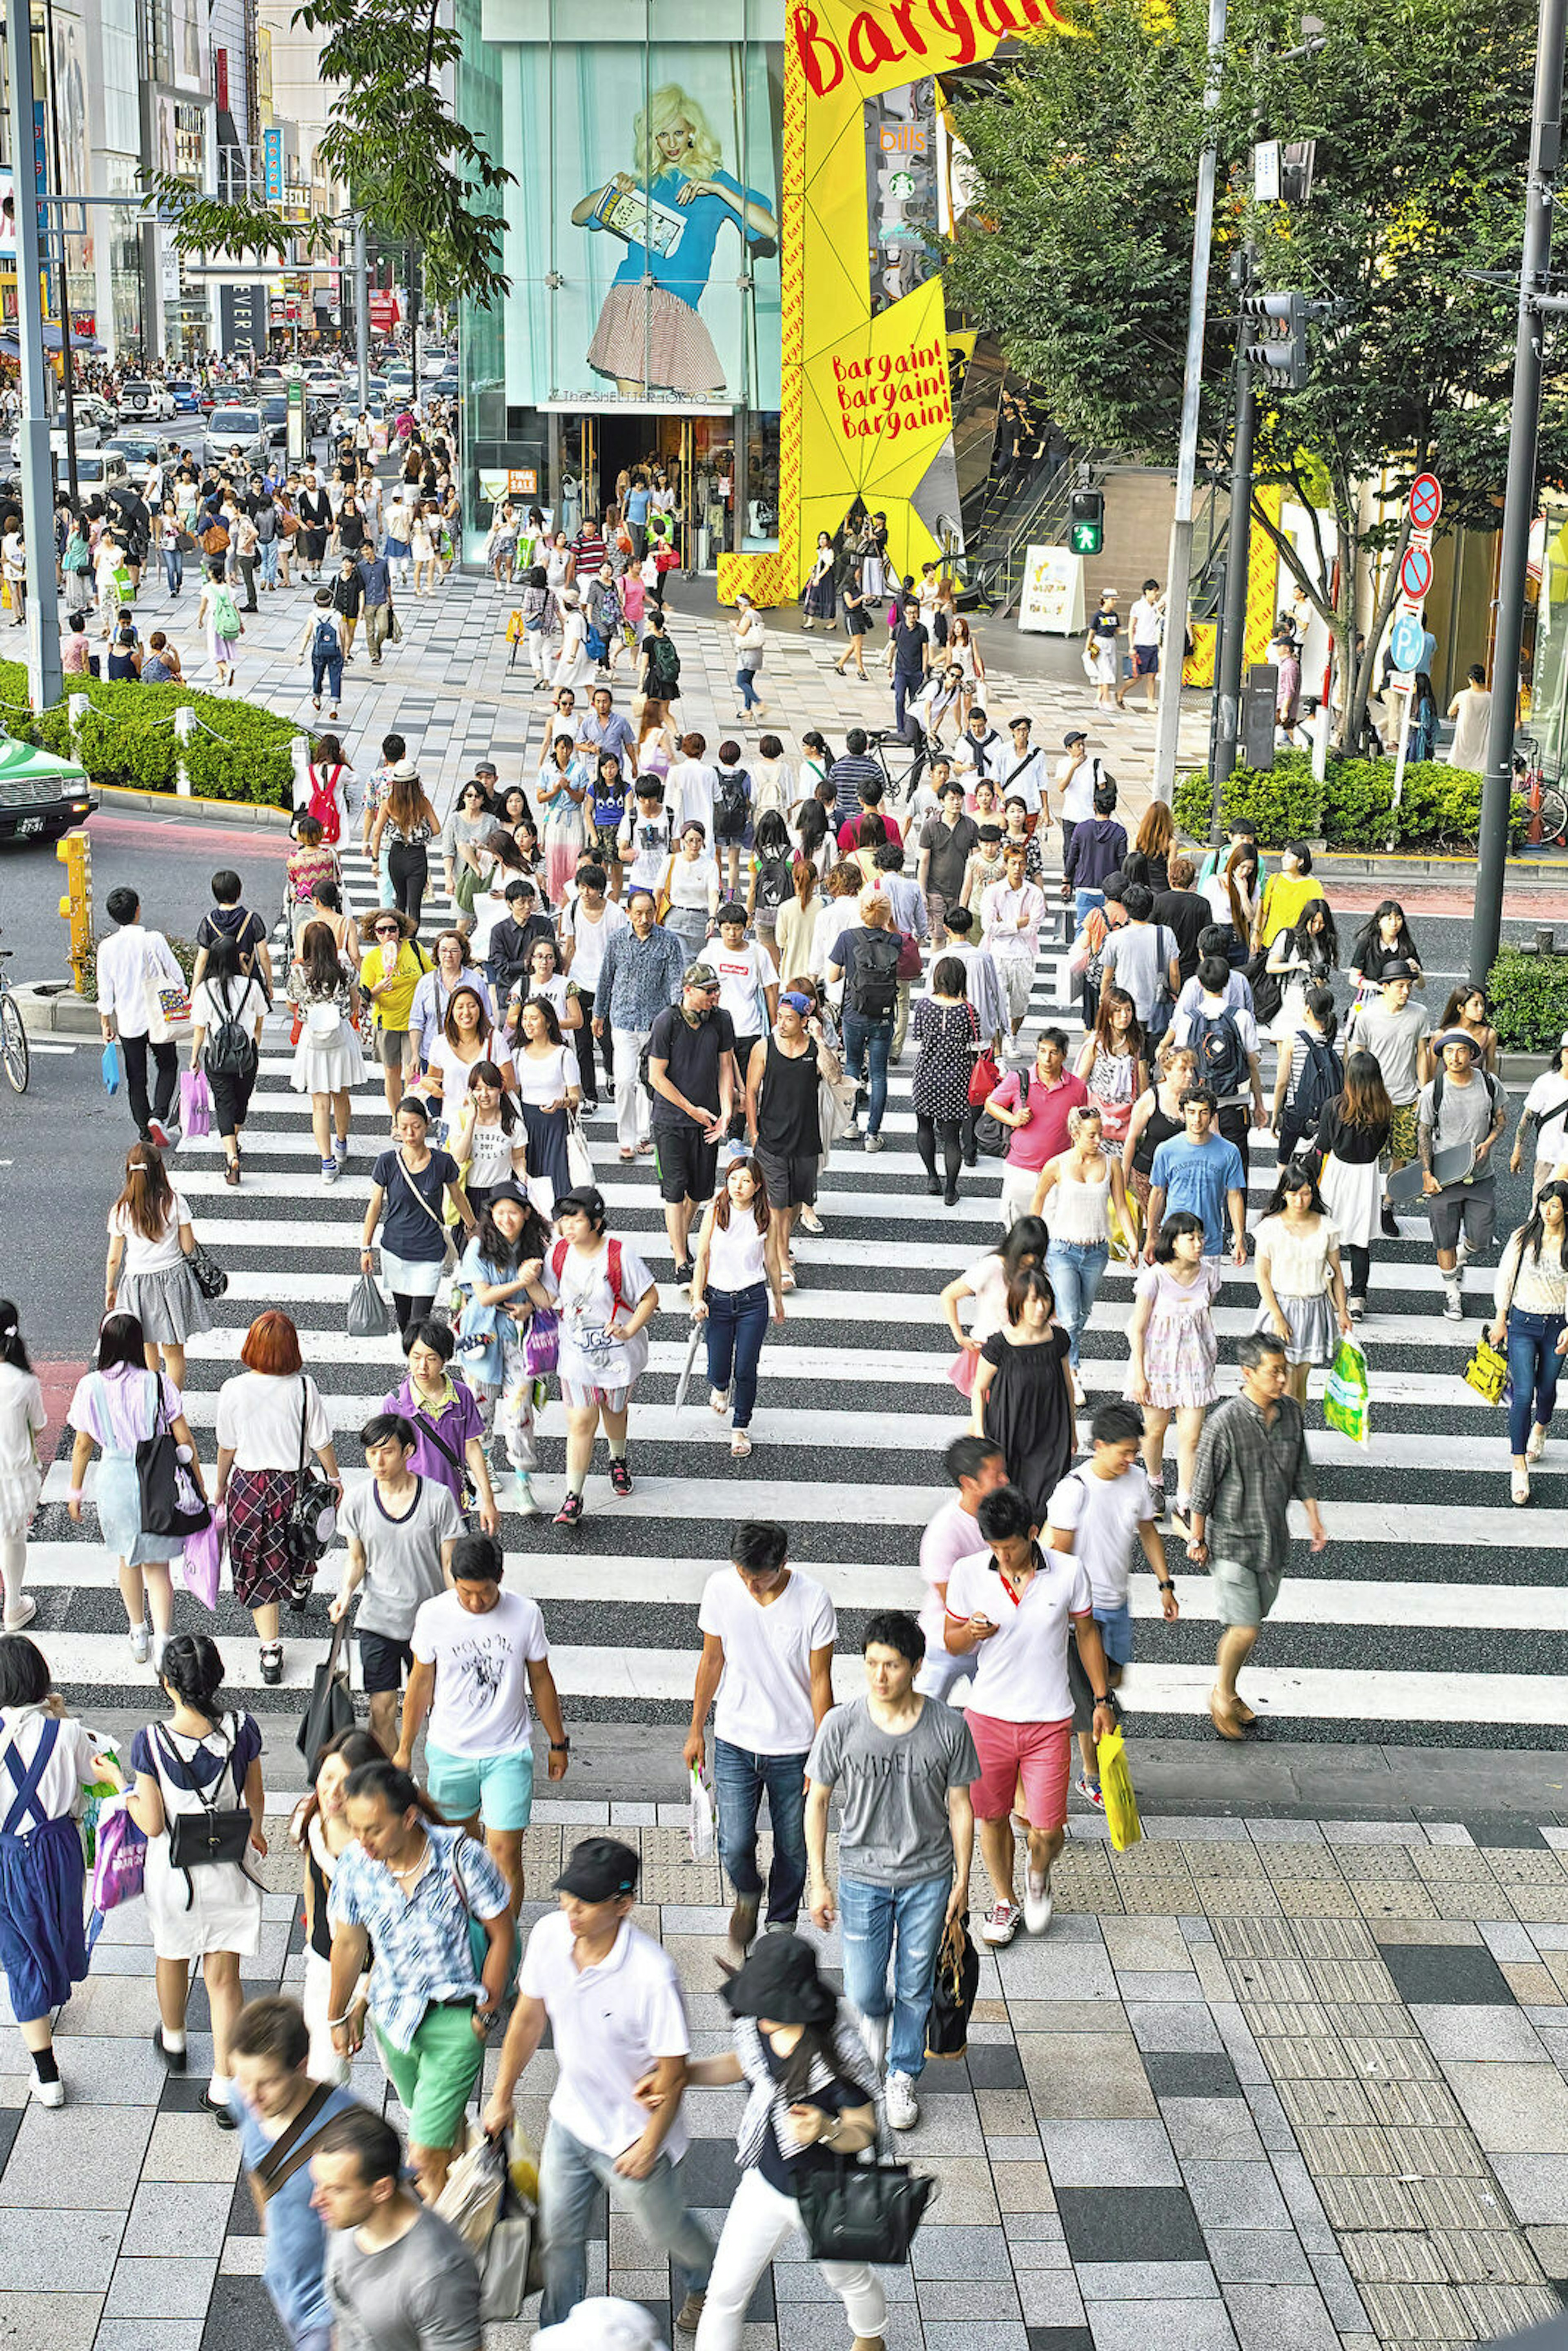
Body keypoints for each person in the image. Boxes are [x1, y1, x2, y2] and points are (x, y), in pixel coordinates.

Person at [483, 1837, 715, 2333]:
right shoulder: (549, 1935)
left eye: (586, 1901)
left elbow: (674, 2073)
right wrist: (502, 2095)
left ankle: (708, 2278)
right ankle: (558, 2334)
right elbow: (527, 2018)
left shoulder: (653, 1975)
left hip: (633, 2138)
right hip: (571, 2120)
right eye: (569, 1895)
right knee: (559, 2238)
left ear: (623, 1904)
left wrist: (649, 2146)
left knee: (667, 2230)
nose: (571, 1909)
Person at [666, 1932, 884, 2351]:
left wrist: (825, 2128)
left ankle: (870, 2338)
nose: (755, 2012)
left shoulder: (838, 2056)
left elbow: (865, 2127)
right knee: (725, 2293)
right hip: (765, 2182)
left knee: (848, 2277)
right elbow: (744, 2065)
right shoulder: (757, 2026)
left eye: (769, 2004)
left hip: (827, 2195)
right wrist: (681, 2075)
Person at [804, 1610, 976, 2131]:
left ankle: (903, 2072)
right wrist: (819, 1878)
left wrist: (964, 1882)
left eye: (893, 1665)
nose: (880, 1675)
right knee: (861, 1989)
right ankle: (873, 2027)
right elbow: (817, 1801)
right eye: (873, 1663)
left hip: (929, 1875)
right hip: (861, 1874)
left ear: (916, 1667)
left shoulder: (948, 1726)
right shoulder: (842, 1724)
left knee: (916, 1981)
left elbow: (962, 1805)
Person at [326, 1759, 514, 2200]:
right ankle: (469, 2218)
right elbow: (350, 1946)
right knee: (435, 2135)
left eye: (373, 1829)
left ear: (409, 1818)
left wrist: (485, 2015)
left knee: (421, 2155)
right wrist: (339, 2015)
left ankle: (434, 2253)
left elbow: (502, 1932)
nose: (362, 1841)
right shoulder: (356, 1865)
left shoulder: (461, 1857)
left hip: (456, 2023)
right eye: (355, 1828)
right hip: (394, 2021)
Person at [943, 1482, 1116, 1944]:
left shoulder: (1069, 1571)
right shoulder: (968, 1573)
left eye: (1011, 1546)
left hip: (1049, 1720)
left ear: (1034, 1533)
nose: (1002, 1556)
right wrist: (970, 1632)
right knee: (993, 1817)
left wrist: (1102, 1700)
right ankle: (1004, 1901)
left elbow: (1086, 1635)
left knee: (1048, 1828)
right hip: (988, 1718)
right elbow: (950, 1639)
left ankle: (1038, 1873)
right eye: (994, 1547)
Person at [128, 1631, 265, 2125]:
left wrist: (126, 1797)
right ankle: (226, 2088)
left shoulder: (149, 1741)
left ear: (168, 1684)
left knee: (172, 1954)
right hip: (229, 1867)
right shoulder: (243, 1728)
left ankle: (175, 2039)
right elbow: (255, 1798)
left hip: (174, 1874)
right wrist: (257, 1832)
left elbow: (152, 1823)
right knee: (224, 1979)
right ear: (217, 1678)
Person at [396, 1533, 567, 1913]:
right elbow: (420, 1683)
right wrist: (404, 1749)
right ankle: (472, 1926)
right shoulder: (433, 1615)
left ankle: (504, 1946)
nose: (475, 1602)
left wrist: (558, 1743)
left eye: (484, 1593)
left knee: (505, 1852)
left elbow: (541, 1679)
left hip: (508, 1752)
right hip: (450, 1752)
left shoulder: (526, 1614)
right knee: (461, 1847)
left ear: (500, 1577)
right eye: (465, 1592)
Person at [685, 1521, 835, 1951]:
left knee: (794, 1843)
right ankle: (748, 1890)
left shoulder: (813, 1600)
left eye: (760, 1579)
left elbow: (821, 1681)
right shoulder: (720, 1588)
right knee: (733, 1842)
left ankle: (781, 1922)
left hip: (795, 1747)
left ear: (783, 1563)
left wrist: (822, 1755)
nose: (750, 1586)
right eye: (743, 1576)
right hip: (735, 1739)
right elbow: (711, 1660)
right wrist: (696, 1729)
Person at [0, 1633, 120, 2105]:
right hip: (59, 1847)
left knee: (18, 1954)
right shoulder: (64, 1733)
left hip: (7, 1853)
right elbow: (97, 1768)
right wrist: (63, 1717)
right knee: (58, 1925)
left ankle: (47, 2075)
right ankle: (53, 1985)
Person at [1187, 1333, 1327, 1738]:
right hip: (1231, 1540)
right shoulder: (1224, 1424)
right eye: (1274, 1372)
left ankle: (1229, 1690)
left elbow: (1301, 1464)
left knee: (1251, 1621)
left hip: (1272, 1540)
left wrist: (1313, 1517)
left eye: (1284, 1371)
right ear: (1248, 1373)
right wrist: (1197, 1538)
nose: (1283, 1379)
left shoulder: (1290, 1413)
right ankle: (1222, 1693)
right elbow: (1202, 1487)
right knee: (1246, 1627)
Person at [1047, 1400, 1177, 1808]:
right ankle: (1091, 1775)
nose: (1130, 1459)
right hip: (1083, 1611)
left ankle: (1085, 1717)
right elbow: (1060, 1555)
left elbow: (1148, 1533)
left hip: (1116, 1605)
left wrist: (1165, 1584)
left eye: (1134, 1452)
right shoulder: (1074, 1491)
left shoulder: (1137, 1481)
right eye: (1123, 1451)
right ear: (1099, 1446)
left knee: (1111, 1683)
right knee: (1094, 1698)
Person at [214, 1313, 342, 1688]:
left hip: (250, 1488)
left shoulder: (234, 1389)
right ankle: (300, 1583)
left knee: (257, 1561)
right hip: (295, 1484)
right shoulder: (304, 1388)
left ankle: (270, 1650)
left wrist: (219, 1485)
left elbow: (227, 1446)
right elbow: (321, 1441)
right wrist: (334, 1478)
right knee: (302, 1540)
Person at [227, 1996, 359, 2351]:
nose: (251, 2097)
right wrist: (269, 2223)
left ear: (301, 2066)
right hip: (284, 2285)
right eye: (243, 2079)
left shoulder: (349, 2126)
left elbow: (395, 2205)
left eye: (266, 2083)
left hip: (332, 2308)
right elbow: (258, 2167)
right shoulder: (243, 2097)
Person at [330, 1414, 462, 1751]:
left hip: (428, 1623)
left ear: (409, 1451)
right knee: (381, 1709)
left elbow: (449, 1562)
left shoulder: (438, 1498)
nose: (378, 1461)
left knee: (436, 1706)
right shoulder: (358, 1502)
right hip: (378, 1622)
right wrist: (345, 1592)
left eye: (387, 1452)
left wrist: (457, 1612)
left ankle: (432, 1774)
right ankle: (391, 1784)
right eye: (372, 1453)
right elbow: (357, 1559)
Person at [312, 2104, 483, 2350]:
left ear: (381, 2190)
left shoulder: (438, 2274)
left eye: (336, 2189)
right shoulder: (345, 2216)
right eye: (319, 2184)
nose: (317, 2200)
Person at [544, 1184, 660, 1526]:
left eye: (576, 1220)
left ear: (596, 1222)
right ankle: (573, 1496)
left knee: (615, 1408)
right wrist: (526, 1283)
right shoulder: (558, 1254)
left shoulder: (619, 1254)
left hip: (618, 1355)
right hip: (576, 1355)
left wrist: (628, 1330)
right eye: (564, 1220)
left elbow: (650, 1298)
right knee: (580, 1422)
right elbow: (548, 1298)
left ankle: (617, 1457)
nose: (568, 1227)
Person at [1125, 1210, 1222, 1524]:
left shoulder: (1209, 1274)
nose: (1199, 1244)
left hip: (1196, 1367)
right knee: (1154, 1431)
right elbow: (1137, 1328)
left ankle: (1185, 1500)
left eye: (1200, 1237)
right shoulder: (1154, 1278)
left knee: (1192, 1437)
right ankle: (1155, 1483)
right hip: (1157, 1366)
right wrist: (1139, 1374)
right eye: (1191, 1238)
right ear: (1174, 1241)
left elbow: (1205, 1315)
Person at [690, 1157, 786, 1459]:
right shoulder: (716, 1211)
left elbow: (771, 1261)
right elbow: (703, 1256)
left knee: (745, 1368)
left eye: (745, 1181)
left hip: (752, 1301)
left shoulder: (765, 1216)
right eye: (733, 1179)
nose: (738, 1186)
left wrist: (778, 1302)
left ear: (757, 1186)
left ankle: (740, 1427)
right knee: (718, 1366)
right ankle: (720, 1386)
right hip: (717, 1300)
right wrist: (697, 1298)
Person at [971, 1260, 1077, 1526]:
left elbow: (1068, 1385)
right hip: (1010, 1432)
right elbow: (979, 1388)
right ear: (1018, 1302)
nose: (1040, 1308)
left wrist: (1073, 1431)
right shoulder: (1000, 1345)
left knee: (1046, 1502)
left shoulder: (1058, 1340)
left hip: (1051, 1432)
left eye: (1045, 1300)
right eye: (1032, 1301)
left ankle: (1039, 1555)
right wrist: (982, 1432)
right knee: (1011, 1500)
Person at [649, 962, 737, 1281]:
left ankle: (679, 1238)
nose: (715, 997)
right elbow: (656, 1077)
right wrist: (691, 1109)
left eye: (717, 990)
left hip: (708, 1120)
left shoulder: (722, 1020)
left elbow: (726, 1066)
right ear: (689, 991)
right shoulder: (667, 1022)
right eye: (709, 991)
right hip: (671, 1119)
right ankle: (680, 1259)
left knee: (700, 1192)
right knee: (674, 1190)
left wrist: (726, 1110)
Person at [360, 1097, 477, 1336]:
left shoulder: (442, 1162)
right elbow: (375, 1206)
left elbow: (458, 1196)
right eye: (403, 1127)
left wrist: (473, 1226)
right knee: (403, 1318)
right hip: (395, 1250)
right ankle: (414, 1363)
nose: (410, 1133)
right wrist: (365, 1247)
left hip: (429, 1251)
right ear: (396, 1129)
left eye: (415, 1126)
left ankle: (418, 1365)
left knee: (419, 1320)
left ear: (427, 1125)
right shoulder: (387, 1162)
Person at [104, 1141, 213, 1391]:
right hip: (172, 1280)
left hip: (136, 1282)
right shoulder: (175, 1203)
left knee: (145, 1347)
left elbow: (114, 1258)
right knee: (174, 1353)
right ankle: (171, 1409)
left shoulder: (121, 1210)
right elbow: (188, 1247)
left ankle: (151, 1403)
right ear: (159, 1170)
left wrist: (110, 1289)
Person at [1489, 1181, 1568, 1507]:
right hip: (1522, 1323)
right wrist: (1500, 1318)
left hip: (1556, 1325)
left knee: (1547, 1388)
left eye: (1555, 1206)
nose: (1547, 1212)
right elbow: (1506, 1276)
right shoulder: (1523, 1237)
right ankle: (1518, 1465)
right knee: (1523, 1394)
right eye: (1544, 1204)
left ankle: (1542, 1427)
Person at [1419, 1029, 1508, 1319]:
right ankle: (1452, 1295)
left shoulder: (1489, 1084)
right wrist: (1427, 1173)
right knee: (1444, 1240)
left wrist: (1489, 1142)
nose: (1454, 1057)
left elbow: (1501, 1121)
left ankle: (1459, 1259)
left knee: (1481, 1239)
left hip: (1481, 1176)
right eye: (1448, 1052)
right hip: (1445, 1179)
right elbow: (1424, 1132)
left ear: (1472, 1054)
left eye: (1461, 1051)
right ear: (1443, 1056)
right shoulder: (1434, 1091)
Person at [1033, 1104, 1130, 1369]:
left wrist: (1133, 1241)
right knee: (1071, 1318)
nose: (1099, 1141)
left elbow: (1121, 1205)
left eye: (1101, 1133)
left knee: (1082, 1313)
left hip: (1096, 1251)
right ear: (1075, 1133)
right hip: (1062, 1250)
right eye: (1092, 1135)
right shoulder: (1057, 1165)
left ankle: (1055, 1346)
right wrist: (1034, 1239)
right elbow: (1038, 1200)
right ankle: (1070, 1371)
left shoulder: (1112, 1165)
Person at [597, 887, 688, 1160]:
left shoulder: (668, 942)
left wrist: (678, 1015)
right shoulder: (616, 941)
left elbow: (676, 981)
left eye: (649, 912)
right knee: (624, 1080)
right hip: (623, 1020)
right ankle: (625, 1138)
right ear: (628, 913)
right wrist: (598, 1014)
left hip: (656, 1022)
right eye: (639, 913)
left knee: (650, 1080)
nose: (645, 918)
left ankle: (642, 1134)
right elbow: (606, 978)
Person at [382, 1319, 498, 1533]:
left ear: (445, 1359)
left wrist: (488, 1500)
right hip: (411, 1507)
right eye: (416, 1358)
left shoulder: (462, 1395)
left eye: (431, 1359)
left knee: (455, 1566)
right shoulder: (395, 1403)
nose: (422, 1366)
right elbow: (386, 1459)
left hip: (454, 1504)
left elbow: (472, 1447)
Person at [916, 1435, 1008, 1701]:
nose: (1006, 1481)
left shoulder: (1004, 1512)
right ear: (969, 1483)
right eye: (997, 1475)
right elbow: (952, 1601)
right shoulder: (944, 1533)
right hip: (946, 1642)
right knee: (925, 1714)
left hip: (993, 1642)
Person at [1252, 1160, 1352, 1403]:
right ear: (1284, 1195)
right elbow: (1262, 1276)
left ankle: (1294, 1431)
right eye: (1294, 1194)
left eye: (1306, 1194)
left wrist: (1343, 1311)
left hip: (1315, 1308)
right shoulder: (1270, 1229)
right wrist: (1277, 1317)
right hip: (1281, 1307)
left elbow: (1337, 1272)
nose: (1300, 1201)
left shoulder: (1327, 1228)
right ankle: (1283, 1434)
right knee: (1284, 1381)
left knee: (1300, 1380)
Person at [1344, 961, 1432, 1235]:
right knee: (1369, 1155)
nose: (1406, 992)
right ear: (1385, 988)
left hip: (1406, 1098)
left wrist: (1424, 1091)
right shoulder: (1367, 1016)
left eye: (1409, 986)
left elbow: (1422, 1054)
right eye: (1400, 987)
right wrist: (1356, 1095)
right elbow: (1357, 1056)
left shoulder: (1420, 1014)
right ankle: (1365, 1204)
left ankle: (1387, 1206)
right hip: (1373, 1100)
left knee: (1401, 1156)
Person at [95, 884, 185, 1147]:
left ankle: (144, 1131)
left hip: (129, 1021)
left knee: (137, 1078)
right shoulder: (153, 939)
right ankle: (159, 1116)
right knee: (168, 1065)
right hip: (158, 1017)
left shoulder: (107, 948)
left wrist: (105, 1023)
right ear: (138, 910)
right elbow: (177, 975)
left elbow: (106, 990)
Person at [1172, 952, 1267, 1184]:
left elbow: (1181, 1066)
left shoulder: (1188, 1020)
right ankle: (1235, 1221)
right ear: (1227, 982)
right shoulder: (1242, 1018)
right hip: (1236, 1105)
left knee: (1199, 1172)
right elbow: (1252, 1064)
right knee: (1237, 1172)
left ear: (1200, 983)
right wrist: (1259, 1104)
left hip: (1198, 1107)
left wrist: (1179, 1104)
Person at [989, 1027, 1090, 1231]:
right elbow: (991, 1104)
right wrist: (1013, 1119)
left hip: (1057, 1170)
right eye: (1042, 1051)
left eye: (1053, 1053)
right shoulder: (1019, 1079)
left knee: (1053, 1229)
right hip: (1021, 1168)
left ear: (1064, 1055)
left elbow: (1079, 1127)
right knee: (1017, 1229)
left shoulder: (1077, 1088)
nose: (1046, 1059)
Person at [287, 919, 364, 1185]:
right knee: (341, 1095)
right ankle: (342, 1144)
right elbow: (356, 1002)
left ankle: (327, 1162)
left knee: (320, 1104)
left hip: (314, 1039)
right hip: (341, 1036)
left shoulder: (299, 972)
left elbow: (291, 1004)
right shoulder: (345, 968)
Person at [828, 893, 902, 1153]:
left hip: (854, 1013)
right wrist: (890, 926)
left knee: (852, 1065)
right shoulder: (895, 940)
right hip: (883, 1017)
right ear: (886, 914)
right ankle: (873, 1134)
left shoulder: (848, 938)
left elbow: (833, 976)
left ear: (862, 912)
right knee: (879, 1075)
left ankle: (851, 1124)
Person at [1145, 1087, 1247, 1267]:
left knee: (1207, 1294)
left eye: (1204, 1113)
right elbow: (1158, 1192)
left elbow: (1234, 1195)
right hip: (1174, 1240)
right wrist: (1151, 1235)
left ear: (1213, 1115)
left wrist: (1240, 1238)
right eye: (1191, 1112)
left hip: (1210, 1241)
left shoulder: (1230, 1152)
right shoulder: (1166, 1150)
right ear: (1182, 1114)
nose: (1197, 1119)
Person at [911, 955, 981, 1206]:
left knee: (924, 1127)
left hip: (926, 1075)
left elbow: (918, 1035)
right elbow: (976, 1046)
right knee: (952, 1137)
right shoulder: (969, 1011)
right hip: (956, 1078)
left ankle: (932, 1177)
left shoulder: (922, 1006)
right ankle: (951, 1189)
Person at [0, 1306, 44, 1632]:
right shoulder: (24, 1382)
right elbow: (39, 1425)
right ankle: (13, 1605)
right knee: (12, 1540)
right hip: (12, 1479)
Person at [979, 839, 1047, 1041]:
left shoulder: (1034, 893)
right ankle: (998, 1046)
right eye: (1013, 863)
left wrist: (1005, 926)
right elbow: (989, 927)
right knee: (996, 1001)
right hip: (998, 954)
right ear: (1006, 864)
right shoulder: (993, 892)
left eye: (1021, 863)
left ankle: (1013, 1037)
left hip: (1024, 954)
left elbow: (1033, 927)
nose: (1017, 868)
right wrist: (1016, 924)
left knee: (1020, 1002)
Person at [371, 763, 442, 931]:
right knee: (414, 906)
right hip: (417, 856)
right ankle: (411, 942)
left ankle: (397, 938)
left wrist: (375, 860)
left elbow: (377, 833)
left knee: (400, 900)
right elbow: (437, 829)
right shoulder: (423, 803)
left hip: (396, 855)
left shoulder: (388, 804)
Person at [1514, 1031, 1568, 1201]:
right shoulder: (1546, 1082)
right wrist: (1517, 1149)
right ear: (1560, 1055)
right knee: (1541, 1209)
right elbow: (1528, 1116)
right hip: (1549, 1156)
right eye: (1567, 1052)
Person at [1347, 899, 1423, 1008]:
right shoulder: (1367, 943)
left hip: (1397, 1003)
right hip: (1370, 1001)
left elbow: (1421, 985)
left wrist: (1417, 971)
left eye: (1398, 919)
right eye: (1389, 919)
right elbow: (1353, 978)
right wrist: (1378, 987)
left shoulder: (1407, 946)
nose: (1394, 924)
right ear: (1379, 921)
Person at [1116, 579, 1164, 708]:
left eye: (1157, 592)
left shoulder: (1156, 606)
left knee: (1152, 676)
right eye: (1154, 592)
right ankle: (1121, 692)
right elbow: (1132, 627)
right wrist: (1132, 647)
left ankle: (1151, 703)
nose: (1156, 595)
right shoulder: (1138, 606)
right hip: (1141, 645)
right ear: (1147, 592)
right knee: (1137, 677)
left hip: (1153, 645)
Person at [1436, 982, 1500, 1075]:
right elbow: (1430, 1071)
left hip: (1476, 1086)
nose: (1481, 1009)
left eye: (1482, 1004)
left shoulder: (1489, 1034)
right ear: (1461, 1008)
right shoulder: (1441, 1035)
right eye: (1476, 1005)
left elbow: (1491, 1068)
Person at [299, 588, 344, 719]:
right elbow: (343, 635)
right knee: (335, 676)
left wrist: (301, 653)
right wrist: (345, 651)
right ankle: (334, 707)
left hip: (318, 651)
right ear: (331, 600)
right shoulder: (337, 615)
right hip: (335, 650)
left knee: (318, 675)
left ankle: (317, 697)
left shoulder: (313, 616)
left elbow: (307, 635)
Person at [1447, 662, 1492, 769]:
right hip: (1482, 735)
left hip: (1464, 734)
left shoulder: (1462, 695)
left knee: (1459, 761)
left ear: (1471, 679)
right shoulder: (1490, 697)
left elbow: (1450, 712)